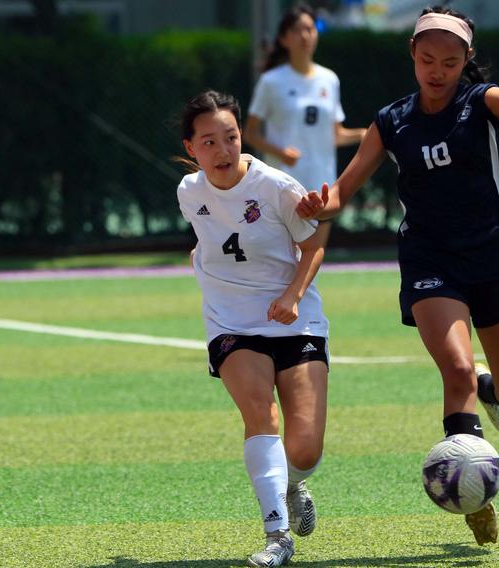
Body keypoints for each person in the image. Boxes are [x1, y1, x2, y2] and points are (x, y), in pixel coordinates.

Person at [296, 6, 499, 546]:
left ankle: (491, 387)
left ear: (466, 62)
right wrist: (321, 200)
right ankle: (474, 499)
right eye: (428, 59)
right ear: (413, 56)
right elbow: (343, 190)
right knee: (455, 370)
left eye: (450, 61)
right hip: (429, 262)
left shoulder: (480, 103)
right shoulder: (392, 121)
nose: (437, 70)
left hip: (494, 258)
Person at [176, 89, 332, 567]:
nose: (222, 151)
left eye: (231, 137)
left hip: (295, 320)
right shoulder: (188, 192)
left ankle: (291, 482)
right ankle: (277, 536)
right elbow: (209, 242)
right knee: (260, 414)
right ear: (191, 149)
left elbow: (314, 245)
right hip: (231, 323)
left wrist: (292, 296)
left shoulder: (276, 187)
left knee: (305, 448)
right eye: (208, 142)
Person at [245, 3, 366, 193]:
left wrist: (363, 135)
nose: (304, 36)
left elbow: (336, 135)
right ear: (284, 39)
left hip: (322, 185)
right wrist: (281, 154)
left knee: (322, 222)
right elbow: (250, 134)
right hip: (282, 186)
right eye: (296, 30)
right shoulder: (270, 81)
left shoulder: (330, 79)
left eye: (310, 29)